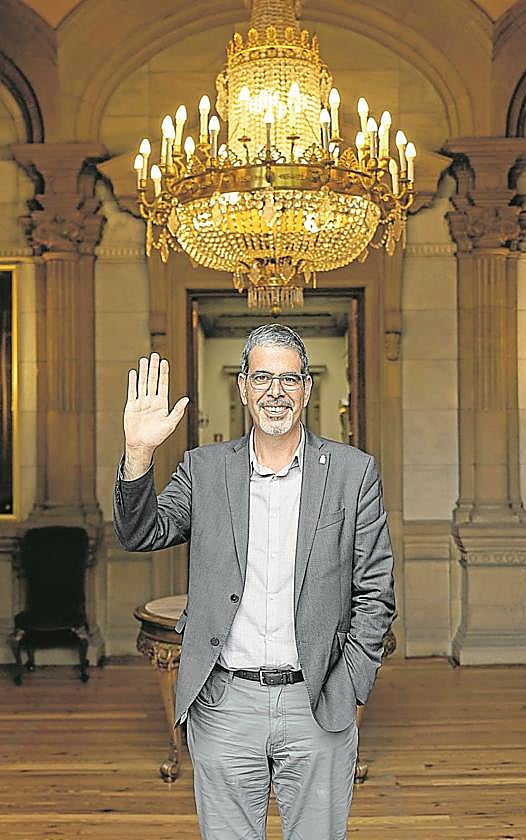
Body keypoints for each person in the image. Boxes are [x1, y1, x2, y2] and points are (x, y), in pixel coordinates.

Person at [114, 324, 396, 840]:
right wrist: (138, 454)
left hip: (319, 702)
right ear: (242, 386)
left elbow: (376, 592)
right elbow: (141, 532)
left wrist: (350, 682)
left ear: (307, 389)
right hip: (224, 703)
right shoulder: (203, 469)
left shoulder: (353, 472)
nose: (275, 392)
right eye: (262, 377)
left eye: (289, 380)